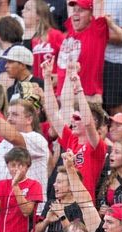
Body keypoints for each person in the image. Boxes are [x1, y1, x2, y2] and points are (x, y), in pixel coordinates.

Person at [43, 57, 108, 199]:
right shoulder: (71, 139)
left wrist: (78, 88)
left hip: (83, 205)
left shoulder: (96, 146)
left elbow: (88, 123)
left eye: (77, 118)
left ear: (95, 122)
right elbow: (53, 113)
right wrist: (47, 78)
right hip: (64, 201)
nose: (72, 120)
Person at [55, 0, 108, 102]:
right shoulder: (71, 30)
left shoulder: (96, 32)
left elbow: (98, 3)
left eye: (81, 10)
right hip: (64, 98)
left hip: (86, 99)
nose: (75, 13)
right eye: (74, 10)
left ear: (91, 15)